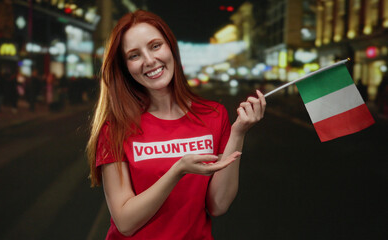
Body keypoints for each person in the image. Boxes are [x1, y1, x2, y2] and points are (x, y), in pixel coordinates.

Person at [86, 10, 266, 239]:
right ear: (125, 67)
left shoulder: (213, 115)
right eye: (134, 55)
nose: (150, 61)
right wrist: (178, 170)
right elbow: (125, 222)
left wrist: (238, 133)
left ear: (171, 47)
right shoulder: (116, 128)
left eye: (155, 46)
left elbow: (218, 205)